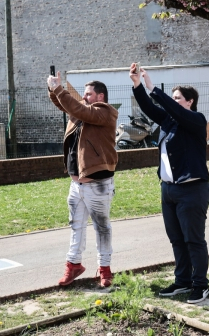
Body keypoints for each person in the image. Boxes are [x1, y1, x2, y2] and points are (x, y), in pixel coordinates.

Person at [129, 63, 209, 304]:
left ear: (190, 102)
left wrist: (154, 88)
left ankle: (201, 285)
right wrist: (138, 85)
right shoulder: (169, 121)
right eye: (172, 97)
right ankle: (183, 280)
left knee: (193, 239)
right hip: (169, 189)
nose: (174, 101)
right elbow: (148, 107)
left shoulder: (196, 120)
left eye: (178, 98)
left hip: (192, 189)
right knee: (176, 238)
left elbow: (168, 107)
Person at [47, 72, 118, 287]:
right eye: (84, 94)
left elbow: (77, 108)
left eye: (88, 94)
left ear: (100, 97)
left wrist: (60, 90)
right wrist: (53, 89)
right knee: (76, 226)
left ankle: (105, 270)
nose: (84, 97)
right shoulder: (81, 112)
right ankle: (73, 265)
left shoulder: (106, 113)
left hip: (97, 185)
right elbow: (67, 106)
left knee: (102, 227)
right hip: (76, 184)